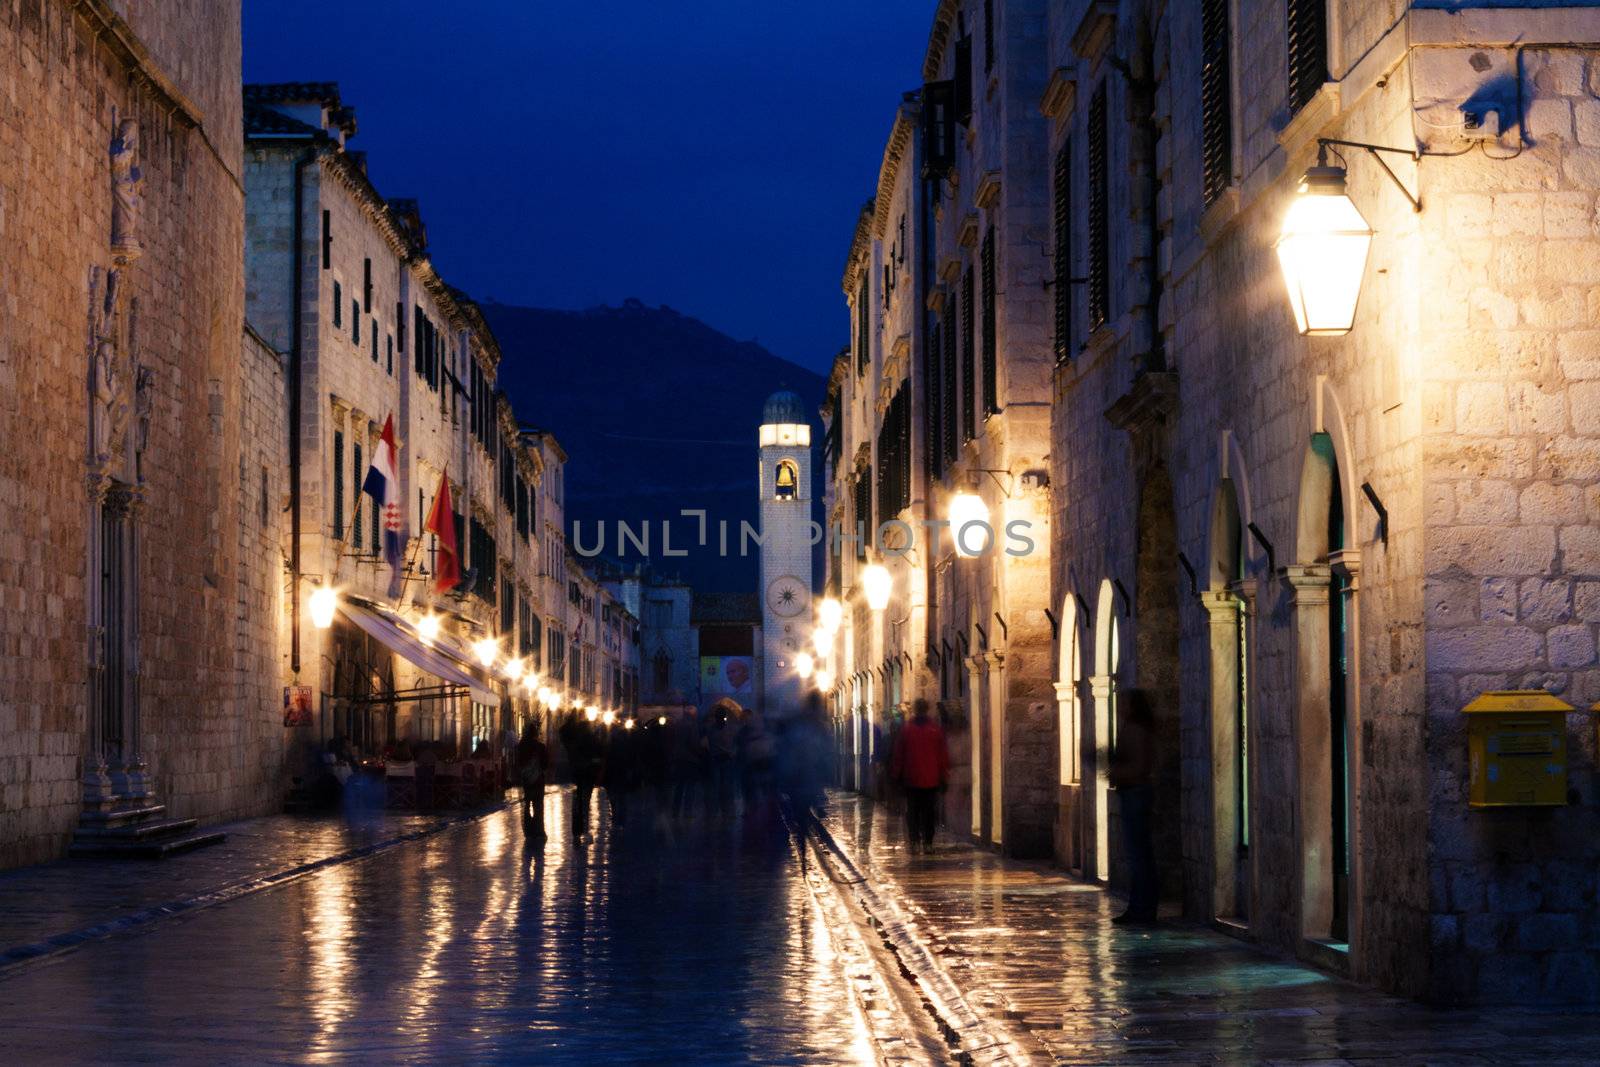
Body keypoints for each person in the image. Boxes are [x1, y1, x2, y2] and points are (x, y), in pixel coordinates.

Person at [1110, 688, 1159, 924]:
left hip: (1135, 793)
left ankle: (1142, 908)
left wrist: (1116, 771)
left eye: (1123, 703)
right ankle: (1139, 906)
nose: (1120, 708)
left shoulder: (1136, 730)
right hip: (1134, 792)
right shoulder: (1136, 729)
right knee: (1138, 853)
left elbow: (1138, 766)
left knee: (1138, 854)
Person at [890, 698, 949, 854]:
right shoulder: (935, 730)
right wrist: (944, 777)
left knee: (913, 812)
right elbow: (942, 756)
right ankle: (928, 842)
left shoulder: (907, 730)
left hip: (912, 779)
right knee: (929, 813)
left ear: (915, 710)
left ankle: (915, 841)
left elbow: (899, 755)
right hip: (931, 779)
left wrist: (897, 776)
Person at [559, 708, 605, 842]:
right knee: (585, 800)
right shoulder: (588, 734)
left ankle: (577, 831)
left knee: (578, 800)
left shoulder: (570, 732)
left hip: (576, 770)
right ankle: (584, 828)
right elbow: (599, 750)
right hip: (587, 771)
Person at [514, 723, 550, 847]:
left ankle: (528, 831)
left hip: (526, 780)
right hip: (538, 780)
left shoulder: (521, 746)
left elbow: (517, 763)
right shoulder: (540, 746)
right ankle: (538, 831)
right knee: (538, 805)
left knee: (526, 805)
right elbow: (545, 764)